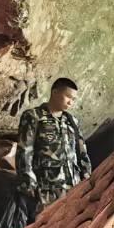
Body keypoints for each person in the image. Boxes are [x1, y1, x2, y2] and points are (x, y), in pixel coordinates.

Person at [17, 77, 90, 207]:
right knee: (43, 225)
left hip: (73, 187)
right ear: (55, 93)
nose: (70, 102)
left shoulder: (72, 121)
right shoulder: (34, 116)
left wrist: (87, 175)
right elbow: (24, 150)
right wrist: (28, 182)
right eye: (68, 96)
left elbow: (81, 150)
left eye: (73, 99)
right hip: (46, 190)